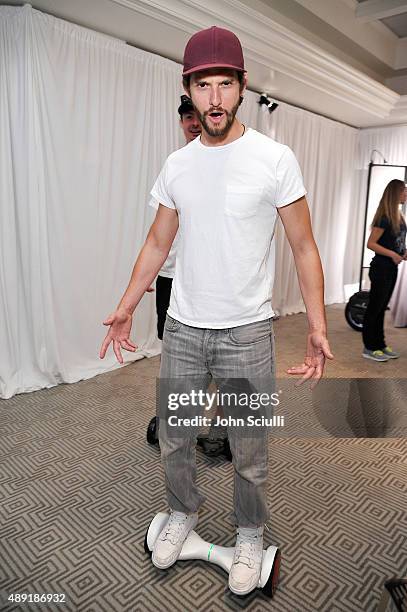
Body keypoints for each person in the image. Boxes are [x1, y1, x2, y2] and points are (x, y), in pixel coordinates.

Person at [100, 26, 333, 595]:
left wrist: (319, 327)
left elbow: (303, 245)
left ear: (242, 86)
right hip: (183, 329)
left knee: (249, 448)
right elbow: (157, 243)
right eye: (203, 86)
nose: (214, 99)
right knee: (176, 436)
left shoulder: (275, 159)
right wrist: (127, 306)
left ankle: (250, 531)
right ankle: (182, 512)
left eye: (224, 84)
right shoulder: (177, 165)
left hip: (247, 334)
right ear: (189, 89)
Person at [155, 95, 201, 340]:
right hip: (170, 274)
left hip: (202, 275)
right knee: (169, 343)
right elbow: (159, 231)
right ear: (181, 122)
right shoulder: (173, 165)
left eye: (197, 116)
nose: (194, 123)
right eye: (187, 117)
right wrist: (150, 269)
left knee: (205, 345)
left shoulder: (224, 163)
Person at [362, 179, 407, 361]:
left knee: (382, 308)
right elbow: (371, 244)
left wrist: (401, 253)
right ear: (395, 193)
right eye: (404, 190)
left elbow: (395, 241)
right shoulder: (384, 217)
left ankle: (380, 344)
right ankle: (369, 347)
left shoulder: (398, 216)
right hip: (380, 268)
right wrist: (392, 254)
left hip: (391, 268)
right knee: (375, 308)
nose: (406, 193)